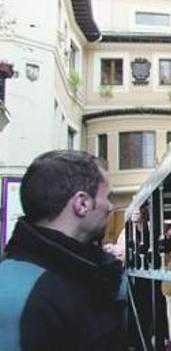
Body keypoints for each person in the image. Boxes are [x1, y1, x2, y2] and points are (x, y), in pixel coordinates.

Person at [0, 150, 125, 351]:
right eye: (107, 197)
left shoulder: (81, 276)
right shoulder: (17, 297)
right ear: (82, 203)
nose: (110, 206)